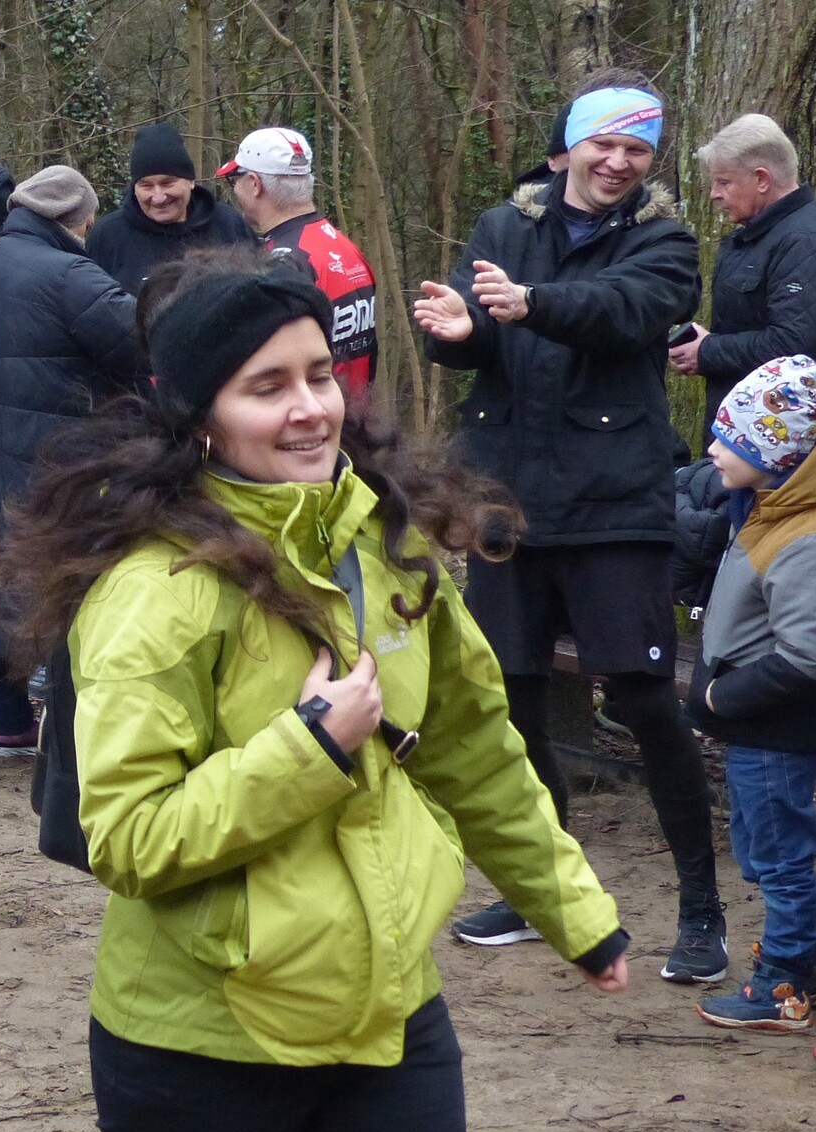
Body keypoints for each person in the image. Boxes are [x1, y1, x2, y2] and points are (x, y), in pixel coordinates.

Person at [0, 253, 628, 1132]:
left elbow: (473, 746)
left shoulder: (383, 547)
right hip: (201, 1040)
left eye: (319, 374)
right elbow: (130, 837)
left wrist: (575, 911)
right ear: (201, 418)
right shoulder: (154, 594)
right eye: (267, 386)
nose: (309, 408)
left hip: (390, 1015)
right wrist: (309, 748)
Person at [413, 74, 721, 982]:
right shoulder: (503, 226)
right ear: (570, 149)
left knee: (643, 700)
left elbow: (628, 312)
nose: (618, 162)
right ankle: (540, 888)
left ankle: (701, 909)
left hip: (615, 504)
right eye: (604, 144)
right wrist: (458, 330)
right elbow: (477, 337)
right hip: (505, 498)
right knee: (511, 699)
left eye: (636, 150)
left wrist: (531, 304)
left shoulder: (665, 241)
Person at [683, 356, 816, 1032]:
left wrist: (722, 699)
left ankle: (782, 983)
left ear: (773, 454)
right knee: (768, 850)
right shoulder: (768, 507)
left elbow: (806, 655)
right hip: (755, 726)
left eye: (728, 440)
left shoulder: (807, 536)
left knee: (780, 860)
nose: (712, 450)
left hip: (773, 731)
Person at [0, 165, 138, 755]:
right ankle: (67, 724)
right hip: (52, 455)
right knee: (60, 576)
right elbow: (138, 342)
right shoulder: (70, 274)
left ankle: (2, 723)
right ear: (77, 220)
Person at [669, 114, 816, 431]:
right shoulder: (761, 235)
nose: (714, 194)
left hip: (788, 436)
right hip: (756, 429)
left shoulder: (805, 241)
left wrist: (708, 351)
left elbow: (790, 346)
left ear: (761, 180)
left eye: (724, 182)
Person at [219, 127, 378, 405]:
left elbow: (271, 363)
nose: (234, 189)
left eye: (235, 179)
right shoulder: (344, 246)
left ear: (255, 184)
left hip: (311, 415)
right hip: (354, 415)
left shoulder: (282, 262)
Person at [85, 121, 254, 293]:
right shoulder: (107, 236)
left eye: (167, 183)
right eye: (146, 186)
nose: (158, 197)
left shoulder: (227, 223)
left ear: (191, 181)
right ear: (134, 188)